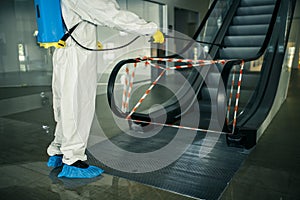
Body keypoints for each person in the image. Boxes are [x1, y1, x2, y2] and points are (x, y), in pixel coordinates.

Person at [46, 0, 164, 179]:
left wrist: (91, 39)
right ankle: (73, 160)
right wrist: (149, 28)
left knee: (65, 104)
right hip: (77, 56)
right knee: (78, 106)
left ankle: (58, 151)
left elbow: (78, 19)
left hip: (64, 50)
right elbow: (111, 14)